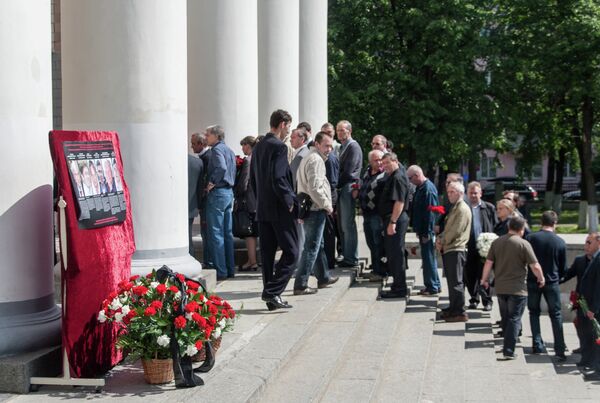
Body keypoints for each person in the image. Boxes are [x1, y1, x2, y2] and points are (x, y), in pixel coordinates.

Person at [250, 109, 299, 311]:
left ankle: (272, 298)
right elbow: (279, 178)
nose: (288, 131)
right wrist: (289, 200)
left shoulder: (259, 146)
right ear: (283, 124)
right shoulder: (279, 147)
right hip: (279, 208)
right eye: (288, 126)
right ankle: (272, 292)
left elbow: (253, 180)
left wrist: (259, 201)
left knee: (268, 255)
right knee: (293, 252)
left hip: (263, 208)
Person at [481, 216, 545, 360]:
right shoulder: (523, 244)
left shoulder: (497, 242)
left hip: (501, 288)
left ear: (509, 226)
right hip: (518, 289)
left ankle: (507, 345)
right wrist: (541, 278)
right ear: (522, 229)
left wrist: (484, 280)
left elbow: (488, 263)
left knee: (506, 318)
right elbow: (535, 265)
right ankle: (509, 350)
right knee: (515, 318)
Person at [294, 132, 339, 294]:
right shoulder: (316, 160)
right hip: (315, 208)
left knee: (316, 245)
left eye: (331, 146)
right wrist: (327, 205)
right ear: (317, 144)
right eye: (326, 146)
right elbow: (315, 188)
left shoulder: (310, 156)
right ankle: (301, 284)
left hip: (311, 208)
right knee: (311, 247)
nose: (329, 149)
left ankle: (323, 277)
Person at [526, 211, 567, 359]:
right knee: (556, 315)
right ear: (555, 223)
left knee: (534, 312)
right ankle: (560, 348)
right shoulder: (560, 241)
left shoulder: (530, 238)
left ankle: (537, 345)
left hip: (532, 280)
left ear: (541, 222)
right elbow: (563, 268)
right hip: (552, 282)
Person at [204, 125, 236, 281]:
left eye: (208, 134)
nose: (205, 137)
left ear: (216, 136)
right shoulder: (229, 150)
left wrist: (212, 182)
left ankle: (221, 271)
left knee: (216, 233)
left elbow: (221, 167)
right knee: (227, 234)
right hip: (229, 193)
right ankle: (230, 269)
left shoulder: (216, 150)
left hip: (218, 193)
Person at [437, 181, 472, 322]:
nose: (449, 194)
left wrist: (442, 241)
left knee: (456, 282)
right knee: (452, 281)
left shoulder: (462, 208)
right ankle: (453, 307)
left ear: (460, 193)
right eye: (448, 192)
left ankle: (459, 312)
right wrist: (440, 238)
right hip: (451, 248)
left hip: (456, 248)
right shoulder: (456, 207)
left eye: (452, 192)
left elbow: (456, 231)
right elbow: (449, 228)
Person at [378, 152, 410, 299]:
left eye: (387, 163)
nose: (384, 167)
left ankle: (399, 288)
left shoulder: (397, 177)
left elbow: (399, 202)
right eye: (382, 164)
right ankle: (398, 285)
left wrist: (393, 222)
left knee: (396, 254)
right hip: (392, 219)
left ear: (395, 161)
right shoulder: (394, 176)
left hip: (395, 219)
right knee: (393, 253)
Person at [407, 165, 442, 295]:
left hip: (426, 231)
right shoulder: (422, 187)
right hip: (423, 229)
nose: (410, 181)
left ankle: (432, 286)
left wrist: (427, 232)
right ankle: (435, 284)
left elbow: (431, 213)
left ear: (417, 175)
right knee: (429, 258)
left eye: (410, 178)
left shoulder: (427, 189)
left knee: (428, 259)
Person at [465, 181, 498, 310]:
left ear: (481, 193)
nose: (473, 195)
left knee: (485, 274)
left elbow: (495, 225)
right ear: (467, 194)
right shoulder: (464, 207)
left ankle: (487, 300)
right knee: (469, 273)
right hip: (469, 244)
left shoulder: (489, 207)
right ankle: (474, 299)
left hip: (485, 245)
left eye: (475, 193)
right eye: (471, 193)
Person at [336, 120, 363, 267]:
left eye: (342, 130)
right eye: (338, 130)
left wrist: (335, 184)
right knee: (343, 224)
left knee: (348, 224)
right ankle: (347, 255)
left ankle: (351, 258)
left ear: (349, 131)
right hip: (343, 187)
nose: (340, 133)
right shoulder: (343, 147)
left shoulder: (353, 147)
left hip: (348, 186)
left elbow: (348, 171)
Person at [561, 237, 594, 355]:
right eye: (586, 242)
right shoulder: (579, 260)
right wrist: (553, 282)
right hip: (581, 299)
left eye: (590, 243)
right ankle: (584, 346)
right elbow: (568, 275)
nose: (587, 246)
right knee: (579, 323)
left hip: (595, 300)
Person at [359, 150, 387, 281]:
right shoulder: (367, 172)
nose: (380, 162)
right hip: (366, 213)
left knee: (377, 242)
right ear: (370, 161)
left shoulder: (384, 174)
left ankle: (380, 271)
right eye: (376, 160)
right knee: (370, 242)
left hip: (377, 214)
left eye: (381, 159)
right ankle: (375, 269)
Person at [577, 232, 600, 380]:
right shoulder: (595, 257)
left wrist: (594, 308)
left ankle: (597, 368)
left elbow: (599, 286)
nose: (586, 246)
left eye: (589, 242)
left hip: (595, 305)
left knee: (596, 337)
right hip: (589, 303)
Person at [234, 136, 259, 272]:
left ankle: (252, 261)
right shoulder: (258, 159)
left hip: (248, 201)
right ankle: (252, 260)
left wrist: (237, 192)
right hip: (256, 200)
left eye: (243, 146)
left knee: (249, 232)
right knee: (253, 232)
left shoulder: (249, 160)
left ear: (248, 145)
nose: (242, 149)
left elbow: (244, 183)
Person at [191, 132, 212, 268]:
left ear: (201, 143)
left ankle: (209, 261)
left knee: (207, 233)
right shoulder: (204, 157)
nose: (192, 147)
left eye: (193, 144)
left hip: (207, 202)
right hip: (205, 202)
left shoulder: (206, 158)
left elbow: (202, 183)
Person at [321, 128, 340, 270]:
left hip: (329, 197)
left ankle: (329, 261)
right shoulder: (327, 158)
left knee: (328, 232)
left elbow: (332, 182)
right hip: (328, 196)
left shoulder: (330, 159)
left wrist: (329, 203)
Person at [188, 153, 204, 256]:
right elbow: (200, 187)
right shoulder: (197, 162)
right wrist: (199, 205)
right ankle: (191, 255)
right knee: (188, 234)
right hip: (192, 205)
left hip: (174, 207)